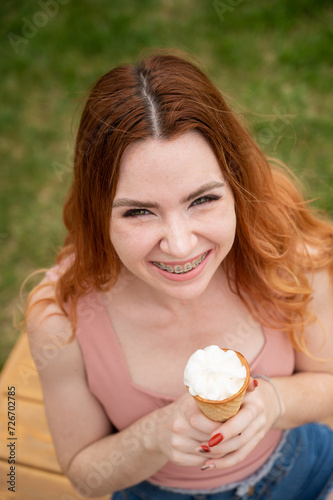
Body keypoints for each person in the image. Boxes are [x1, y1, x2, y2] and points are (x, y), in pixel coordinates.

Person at [25, 49, 333, 500]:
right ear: (99, 214)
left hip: (307, 472)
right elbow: (84, 477)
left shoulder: (290, 259)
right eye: (139, 211)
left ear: (235, 185)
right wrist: (154, 435)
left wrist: (273, 403)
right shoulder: (62, 319)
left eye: (202, 200)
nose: (181, 245)